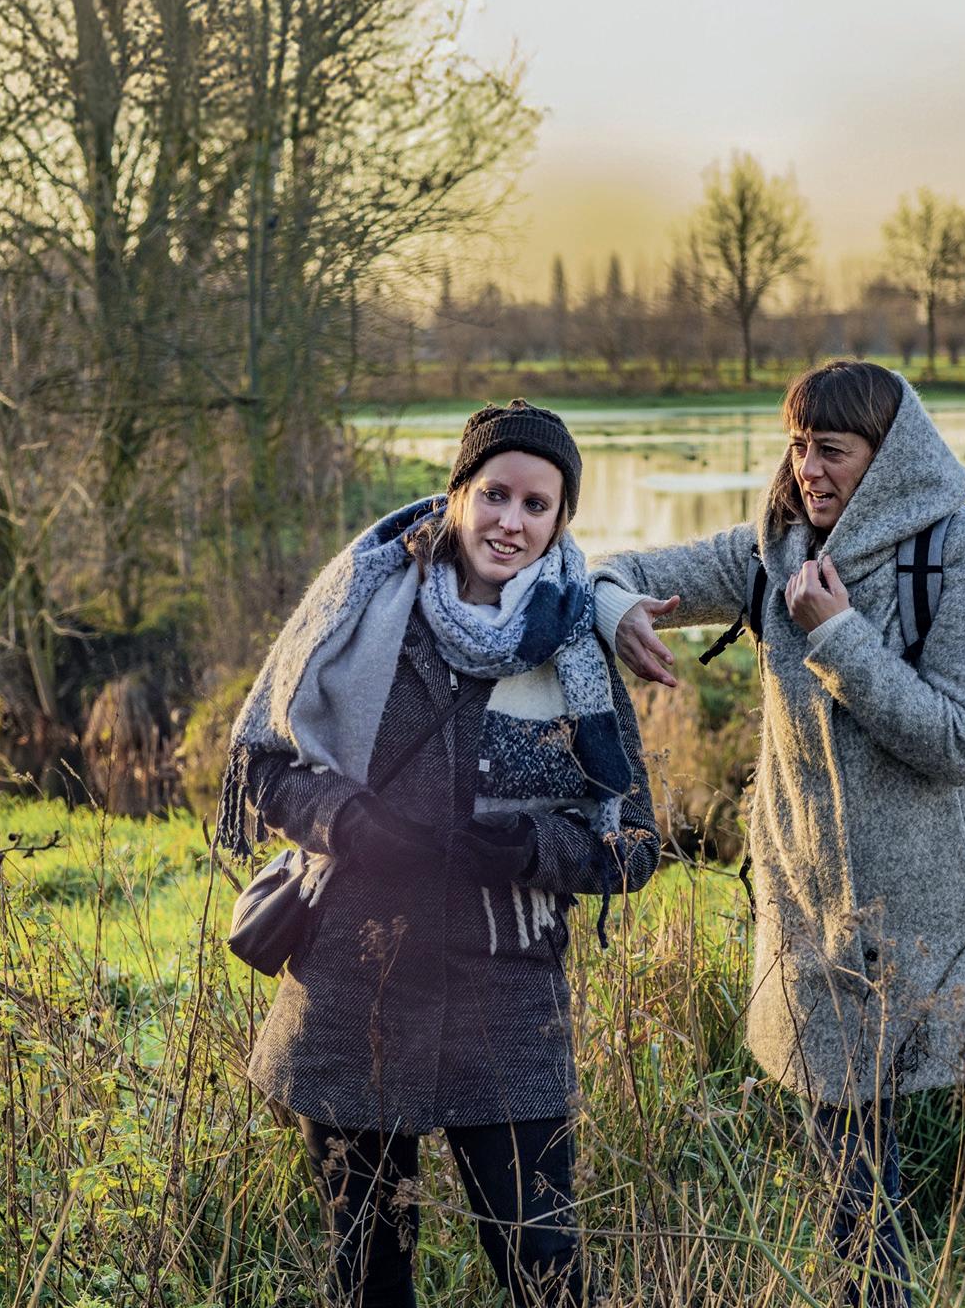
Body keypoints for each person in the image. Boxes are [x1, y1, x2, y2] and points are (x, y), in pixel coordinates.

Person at [592, 359, 965, 1306]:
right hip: (818, 929)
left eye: (830, 448)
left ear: (888, 457)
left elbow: (958, 741)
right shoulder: (772, 554)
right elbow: (621, 569)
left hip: (962, 920)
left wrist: (838, 637)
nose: (806, 468)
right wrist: (613, 607)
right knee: (853, 1206)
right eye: (797, 445)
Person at [221, 399, 660, 1307]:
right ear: (458, 493)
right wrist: (344, 817)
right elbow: (263, 768)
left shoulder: (575, 640)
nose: (511, 521)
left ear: (560, 520)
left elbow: (633, 842)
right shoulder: (356, 611)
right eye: (494, 493)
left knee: (544, 1269)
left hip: (507, 995)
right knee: (367, 1269)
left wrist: (532, 845)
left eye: (536, 504)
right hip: (353, 983)